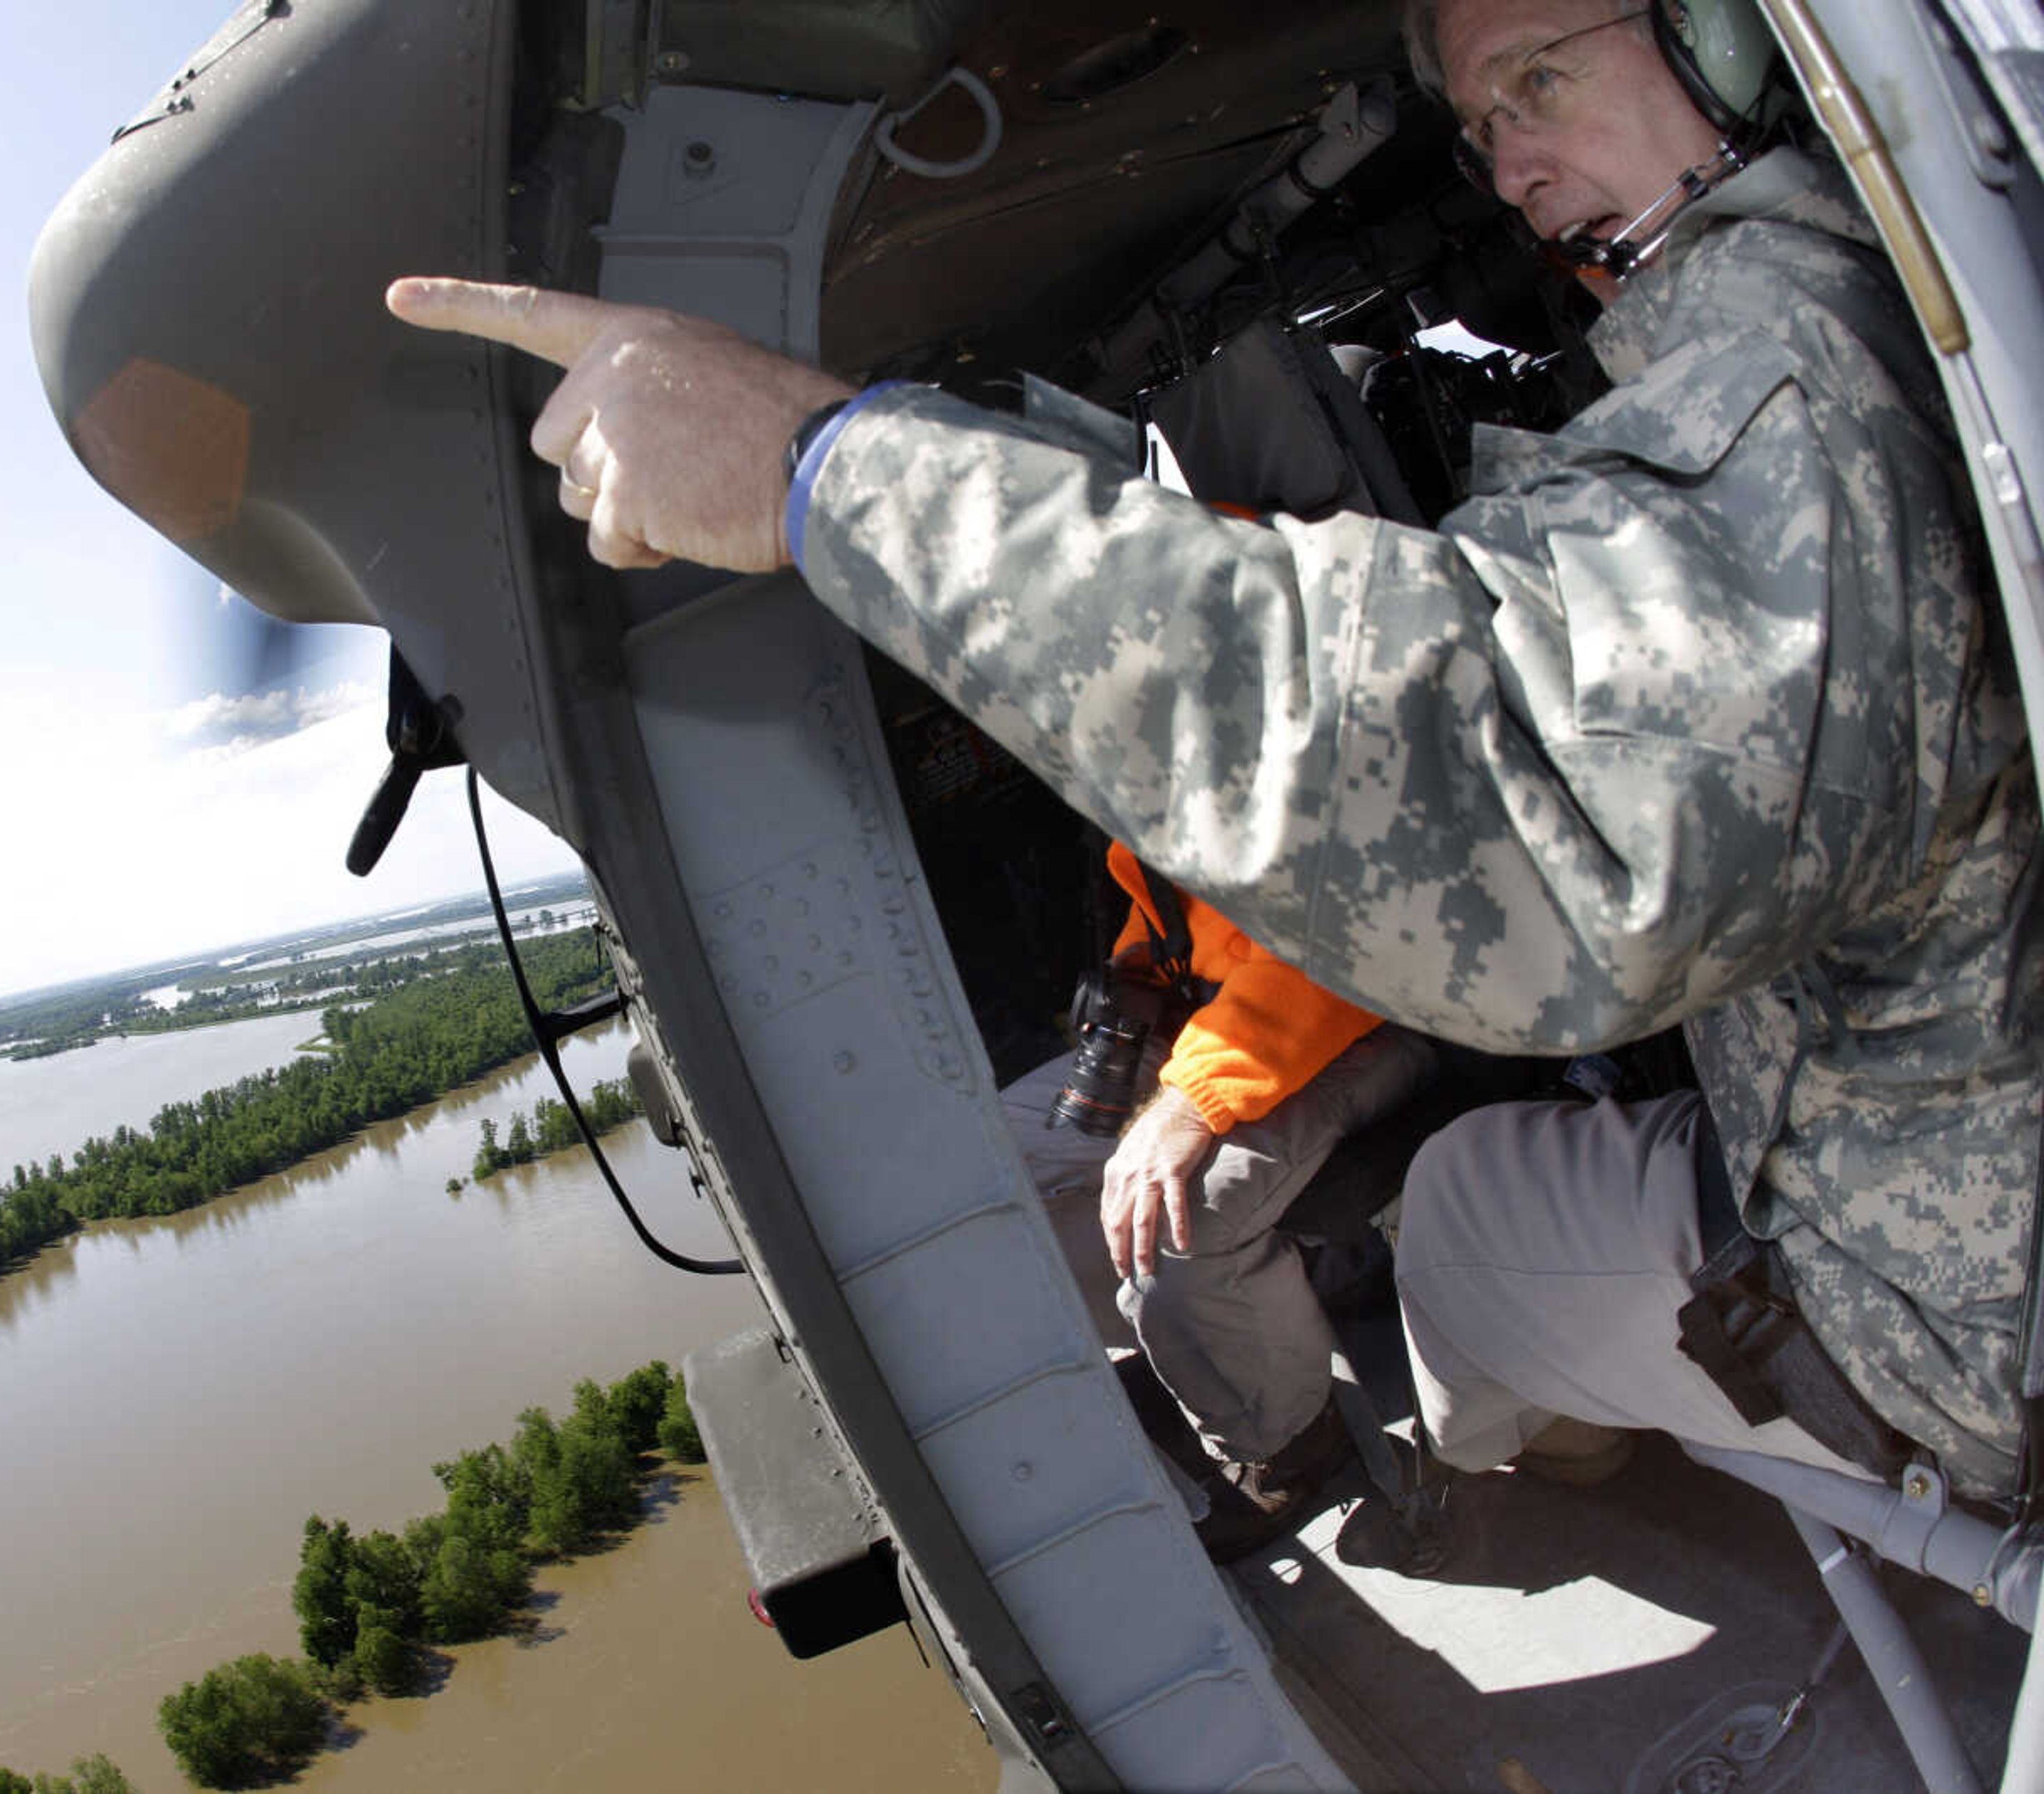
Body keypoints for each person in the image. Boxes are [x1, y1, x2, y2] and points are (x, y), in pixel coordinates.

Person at [387, 0, 2043, 1503]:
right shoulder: (1800, 348)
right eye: (1480, 132)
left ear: (1728, 45)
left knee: (1453, 1215)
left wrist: (831, 475)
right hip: (1918, 1142)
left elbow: (1506, 829)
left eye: (1539, 79)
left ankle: (1517, 1466)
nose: (1513, 171)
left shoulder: (1788, 398)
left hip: (1953, 1296)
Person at [1006, 841, 1433, 1557]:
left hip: (1361, 1010)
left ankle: (1290, 1440)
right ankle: (1211, 1341)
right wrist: (1135, 978)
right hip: (1208, 1018)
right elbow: (1186, 905)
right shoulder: (1154, 764)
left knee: (1180, 1227)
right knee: (997, 1165)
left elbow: (1346, 939)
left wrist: (1187, 1104)